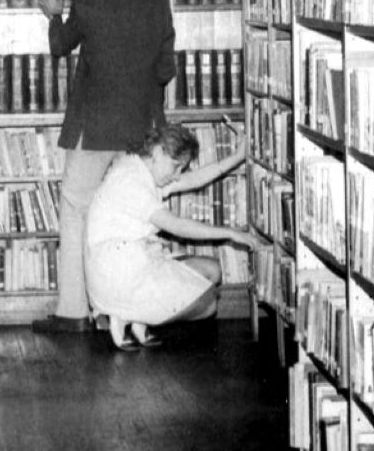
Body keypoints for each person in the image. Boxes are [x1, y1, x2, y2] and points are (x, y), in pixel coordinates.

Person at [32, 0, 176, 334]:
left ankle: (74, 311)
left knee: (76, 211)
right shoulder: (159, 6)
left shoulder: (87, 8)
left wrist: (53, 14)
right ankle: (136, 311)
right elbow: (166, 71)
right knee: (140, 220)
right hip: (142, 135)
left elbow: (60, 46)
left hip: (92, 133)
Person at [84, 124, 258, 350]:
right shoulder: (131, 182)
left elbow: (192, 179)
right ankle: (122, 314)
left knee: (212, 271)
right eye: (176, 167)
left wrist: (237, 157)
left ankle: (136, 317)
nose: (177, 176)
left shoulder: (139, 167)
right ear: (157, 152)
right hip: (119, 274)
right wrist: (230, 233)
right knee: (208, 305)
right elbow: (177, 226)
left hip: (132, 263)